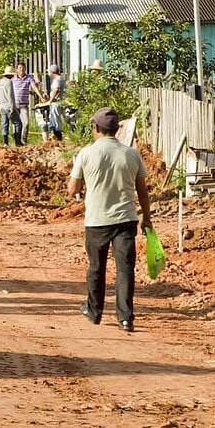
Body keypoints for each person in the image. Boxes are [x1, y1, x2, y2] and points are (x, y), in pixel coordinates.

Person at [68, 108, 153, 333]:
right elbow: (143, 191)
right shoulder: (131, 154)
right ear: (116, 129)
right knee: (125, 268)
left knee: (97, 267)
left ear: (96, 128)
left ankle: (94, 311)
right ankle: (125, 318)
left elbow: (72, 189)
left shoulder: (86, 154)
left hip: (97, 220)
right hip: (126, 219)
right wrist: (147, 218)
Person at [12, 62, 46, 144]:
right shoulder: (13, 79)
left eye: (23, 68)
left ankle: (23, 139)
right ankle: (17, 141)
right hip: (15, 104)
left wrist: (41, 96)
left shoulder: (29, 78)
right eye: (20, 68)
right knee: (15, 124)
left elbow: (34, 87)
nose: (22, 70)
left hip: (24, 104)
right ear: (17, 69)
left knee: (26, 123)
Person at [0, 66, 22, 146]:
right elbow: (10, 95)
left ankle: (5, 143)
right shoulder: (9, 82)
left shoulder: (0, 82)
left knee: (4, 124)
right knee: (17, 123)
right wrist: (12, 108)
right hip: (8, 106)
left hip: (1, 106)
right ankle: (17, 142)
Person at [46, 64, 67, 141]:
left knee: (55, 120)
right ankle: (57, 136)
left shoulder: (57, 79)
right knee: (57, 120)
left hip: (56, 102)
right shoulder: (62, 78)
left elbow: (56, 89)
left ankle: (58, 137)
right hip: (61, 101)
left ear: (52, 72)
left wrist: (51, 100)